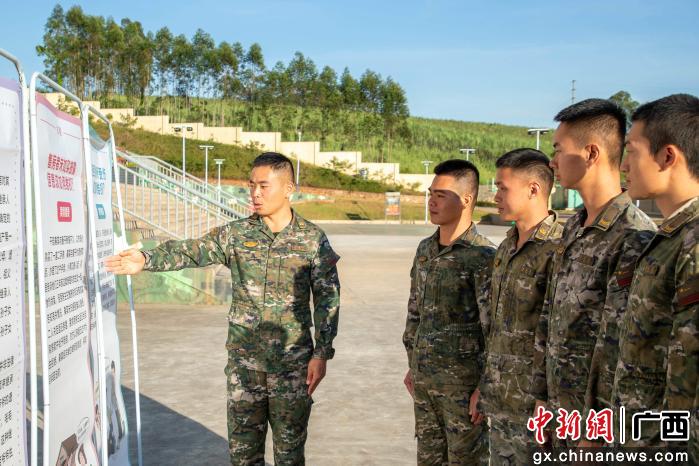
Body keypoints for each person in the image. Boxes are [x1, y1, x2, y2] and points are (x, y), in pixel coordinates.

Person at [105, 152, 341, 466]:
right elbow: (192, 250)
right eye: (251, 185)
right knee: (243, 456)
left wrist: (322, 353)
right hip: (244, 368)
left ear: (288, 188)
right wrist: (146, 259)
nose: (255, 194)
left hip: (292, 368)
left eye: (264, 186)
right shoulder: (236, 235)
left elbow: (327, 299)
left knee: (289, 456)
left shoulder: (312, 240)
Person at [531, 99, 656, 449]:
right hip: (559, 414)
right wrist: (541, 395)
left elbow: (622, 348)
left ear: (590, 153)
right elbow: (550, 314)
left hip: (594, 429)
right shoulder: (574, 226)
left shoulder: (634, 236)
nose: (552, 161)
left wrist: (598, 432)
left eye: (559, 149)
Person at [613, 94, 699, 457]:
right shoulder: (672, 236)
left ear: (667, 157)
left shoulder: (693, 243)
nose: (623, 165)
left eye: (631, 151)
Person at [402, 159, 495, 465]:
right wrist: (413, 364)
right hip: (425, 384)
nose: (431, 201)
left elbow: (492, 329)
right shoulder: (425, 250)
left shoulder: (482, 256)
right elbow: (415, 313)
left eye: (441, 195)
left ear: (466, 199)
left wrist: (484, 387)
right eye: (431, 194)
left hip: (463, 391)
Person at [479, 148, 563, 464]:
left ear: (533, 189)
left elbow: (559, 335)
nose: (496, 196)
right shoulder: (506, 247)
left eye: (503, 188)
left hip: (538, 408)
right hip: (501, 402)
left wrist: (549, 403)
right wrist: (484, 386)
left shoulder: (561, 248)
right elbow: (495, 326)